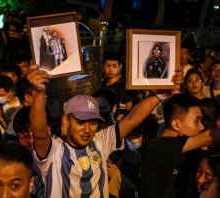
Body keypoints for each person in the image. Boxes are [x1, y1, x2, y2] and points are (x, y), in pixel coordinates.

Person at [27, 62, 184, 197]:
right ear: (66, 121)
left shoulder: (101, 140)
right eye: (81, 122)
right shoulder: (54, 150)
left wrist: (161, 94)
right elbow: (39, 133)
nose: (88, 129)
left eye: (93, 122)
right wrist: (39, 93)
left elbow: (132, 119)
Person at [136, 94, 220, 197]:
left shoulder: (189, 151)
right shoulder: (157, 147)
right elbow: (208, 137)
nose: (201, 127)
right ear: (176, 124)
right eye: (197, 121)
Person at [101, 52, 134, 122]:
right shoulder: (102, 84)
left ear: (120, 67)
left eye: (114, 66)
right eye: (108, 66)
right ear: (103, 67)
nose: (110, 69)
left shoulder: (123, 86)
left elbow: (127, 108)